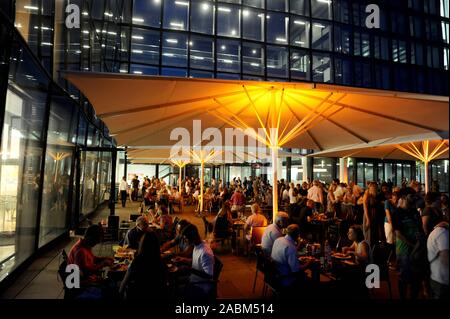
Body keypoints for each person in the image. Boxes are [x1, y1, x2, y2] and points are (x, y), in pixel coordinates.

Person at [119, 232, 168, 299]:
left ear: (142, 244)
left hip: (137, 296)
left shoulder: (137, 261)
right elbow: (165, 283)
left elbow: (123, 284)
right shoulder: (161, 262)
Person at [173, 224, 215, 299]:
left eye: (186, 238)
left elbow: (209, 276)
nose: (185, 241)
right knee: (173, 281)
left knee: (174, 291)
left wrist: (190, 270)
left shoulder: (205, 252)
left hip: (201, 286)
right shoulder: (197, 246)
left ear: (192, 237)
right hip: (194, 279)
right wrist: (183, 260)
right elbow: (198, 263)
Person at [393, 194, 422, 299]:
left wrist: (419, 243)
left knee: (416, 278)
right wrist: (412, 244)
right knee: (404, 277)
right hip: (404, 250)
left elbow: (420, 228)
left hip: (417, 249)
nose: (412, 198)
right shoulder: (397, 213)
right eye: (410, 196)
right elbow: (398, 233)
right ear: (403, 198)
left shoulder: (414, 212)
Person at [271, 224, 312, 289]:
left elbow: (288, 252)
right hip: (285, 279)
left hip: (274, 275)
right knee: (308, 279)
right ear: (297, 235)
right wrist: (309, 263)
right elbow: (296, 271)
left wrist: (298, 245)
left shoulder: (278, 240)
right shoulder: (291, 248)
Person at [427, 221, 449, 299]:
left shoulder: (440, 232)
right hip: (442, 281)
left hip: (438, 279)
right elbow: (445, 258)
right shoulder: (442, 233)